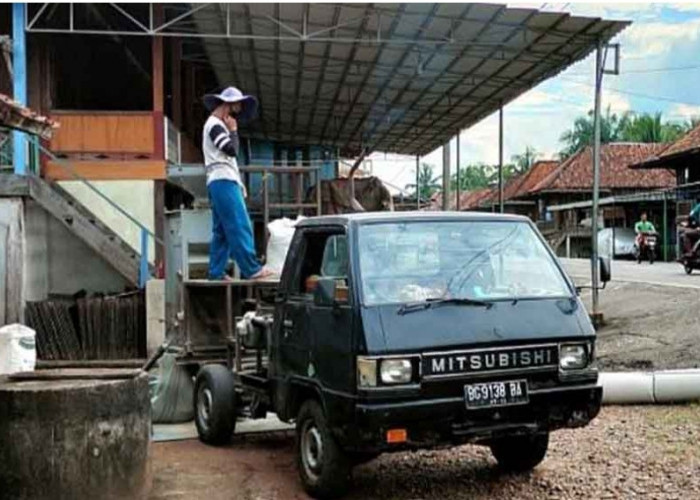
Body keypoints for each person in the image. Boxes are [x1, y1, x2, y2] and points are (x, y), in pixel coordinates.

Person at [202, 86, 273, 281]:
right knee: (239, 223)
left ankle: (215, 272)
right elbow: (231, 149)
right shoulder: (216, 125)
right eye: (237, 108)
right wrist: (233, 131)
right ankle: (251, 269)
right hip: (224, 179)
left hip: (216, 181)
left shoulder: (213, 124)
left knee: (222, 230)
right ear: (228, 106)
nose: (238, 113)